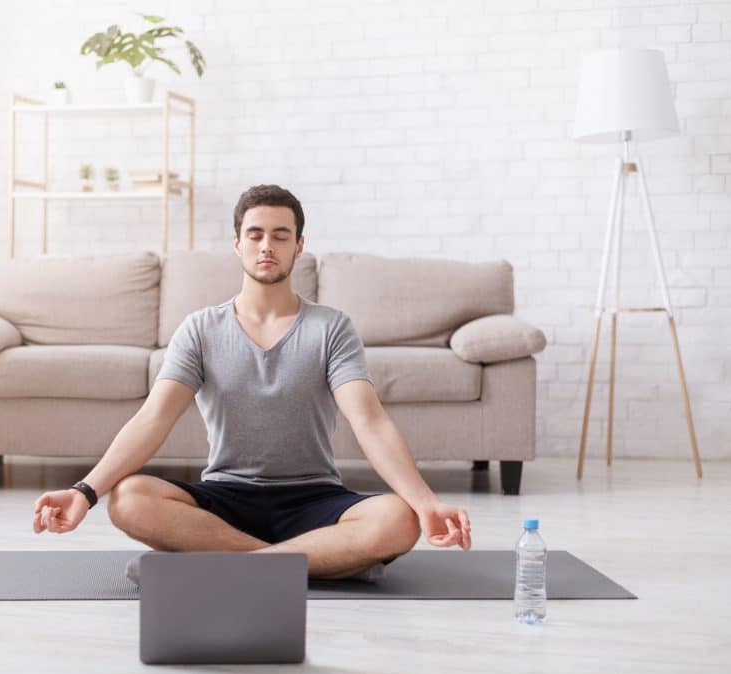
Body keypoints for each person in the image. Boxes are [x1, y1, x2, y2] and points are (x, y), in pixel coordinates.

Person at [33, 184, 471, 582]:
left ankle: (220, 564)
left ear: (299, 246)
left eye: (281, 236)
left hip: (313, 499)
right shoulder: (201, 328)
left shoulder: (332, 327)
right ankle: (316, 563)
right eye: (256, 234)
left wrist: (426, 502)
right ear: (237, 243)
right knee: (128, 498)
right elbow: (153, 419)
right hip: (225, 499)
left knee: (399, 519)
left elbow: (369, 421)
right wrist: (84, 492)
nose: (267, 246)